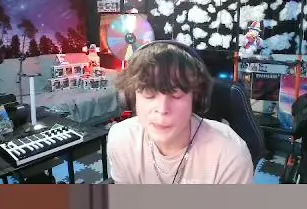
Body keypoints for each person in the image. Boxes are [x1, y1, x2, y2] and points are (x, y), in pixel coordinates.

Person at [107, 42, 254, 184]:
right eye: (149, 92)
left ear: (195, 98)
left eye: (176, 95)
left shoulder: (229, 154)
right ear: (132, 97)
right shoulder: (121, 140)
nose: (162, 109)